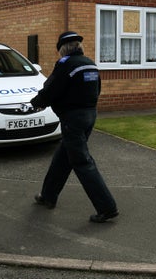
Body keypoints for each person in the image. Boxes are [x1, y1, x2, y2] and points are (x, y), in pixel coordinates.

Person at [30, 31, 119, 223]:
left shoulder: (65, 65)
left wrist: (36, 102)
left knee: (82, 162)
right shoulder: (90, 64)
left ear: (63, 50)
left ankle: (107, 207)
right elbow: (98, 90)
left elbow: (51, 89)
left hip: (73, 119)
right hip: (89, 115)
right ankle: (48, 196)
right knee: (62, 157)